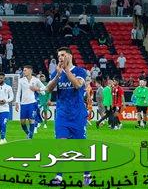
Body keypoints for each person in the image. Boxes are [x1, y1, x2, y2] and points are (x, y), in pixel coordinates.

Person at [45, 47, 91, 186]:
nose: (60, 57)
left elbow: (77, 85)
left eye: (63, 55)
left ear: (70, 56)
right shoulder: (56, 72)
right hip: (62, 116)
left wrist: (65, 71)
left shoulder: (80, 71)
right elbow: (48, 89)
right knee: (61, 145)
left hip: (77, 115)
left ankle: (87, 173)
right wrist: (58, 75)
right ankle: (59, 177)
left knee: (81, 147)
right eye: (59, 55)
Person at [15, 65, 45, 139]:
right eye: (23, 70)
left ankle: (30, 137)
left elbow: (44, 89)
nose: (23, 71)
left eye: (25, 70)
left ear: (30, 71)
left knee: (31, 120)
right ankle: (28, 133)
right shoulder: (21, 80)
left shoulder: (36, 80)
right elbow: (18, 92)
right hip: (23, 104)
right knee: (22, 122)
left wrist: (37, 89)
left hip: (32, 103)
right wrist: (16, 103)